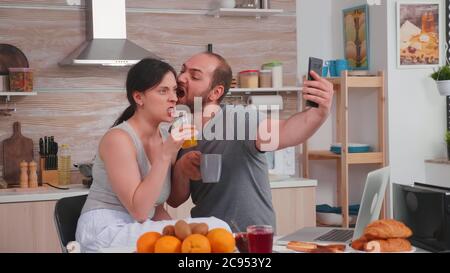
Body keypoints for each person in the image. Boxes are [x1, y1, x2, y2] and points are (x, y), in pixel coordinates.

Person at [167, 52, 334, 232]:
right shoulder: (177, 130)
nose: (181, 77)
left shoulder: (240, 119)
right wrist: (182, 169)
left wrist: (319, 112)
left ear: (216, 92)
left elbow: (286, 132)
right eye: (182, 70)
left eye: (194, 76)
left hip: (252, 237)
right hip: (208, 237)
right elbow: (175, 200)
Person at [75, 58, 230, 253]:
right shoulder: (118, 139)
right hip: (106, 230)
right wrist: (165, 154)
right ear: (139, 98)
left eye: (174, 90)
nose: (173, 98)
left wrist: (181, 167)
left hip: (139, 228)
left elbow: (157, 208)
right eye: (163, 91)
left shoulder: (165, 137)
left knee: (217, 228)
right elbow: (140, 211)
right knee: (214, 231)